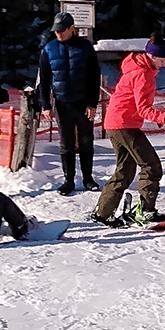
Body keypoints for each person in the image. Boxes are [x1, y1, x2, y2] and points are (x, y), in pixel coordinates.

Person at [91, 34, 165, 227]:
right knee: (151, 166)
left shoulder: (137, 68)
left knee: (125, 169)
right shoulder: (142, 74)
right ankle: (145, 212)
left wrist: (163, 119)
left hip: (116, 123)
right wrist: (164, 118)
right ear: (152, 56)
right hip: (124, 124)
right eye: (163, 60)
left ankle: (103, 213)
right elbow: (142, 108)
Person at [37, 11, 101, 195]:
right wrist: (46, 105)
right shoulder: (48, 50)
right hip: (62, 104)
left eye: (62, 30)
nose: (58, 34)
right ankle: (68, 180)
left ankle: (88, 178)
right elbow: (44, 79)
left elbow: (94, 77)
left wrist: (92, 103)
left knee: (86, 141)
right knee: (66, 143)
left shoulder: (85, 48)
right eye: (56, 31)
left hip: (82, 102)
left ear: (72, 28)